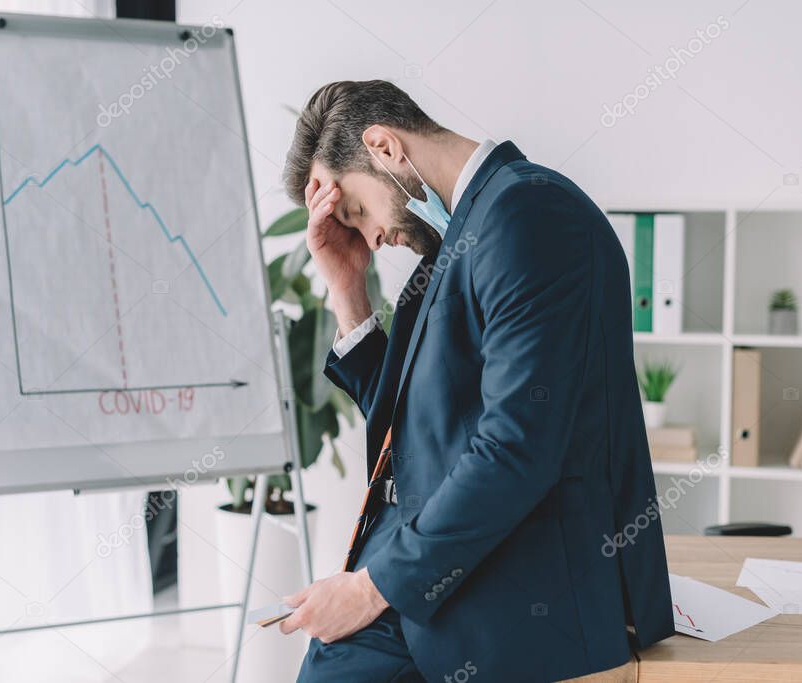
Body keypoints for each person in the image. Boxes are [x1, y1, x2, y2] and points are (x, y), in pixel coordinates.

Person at [277, 80, 673, 682]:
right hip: (434, 574)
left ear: (384, 147)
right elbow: (417, 424)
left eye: (357, 211)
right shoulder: (464, 232)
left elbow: (518, 447)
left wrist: (371, 590)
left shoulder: (528, 213)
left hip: (501, 593)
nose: (372, 238)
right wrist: (347, 292)